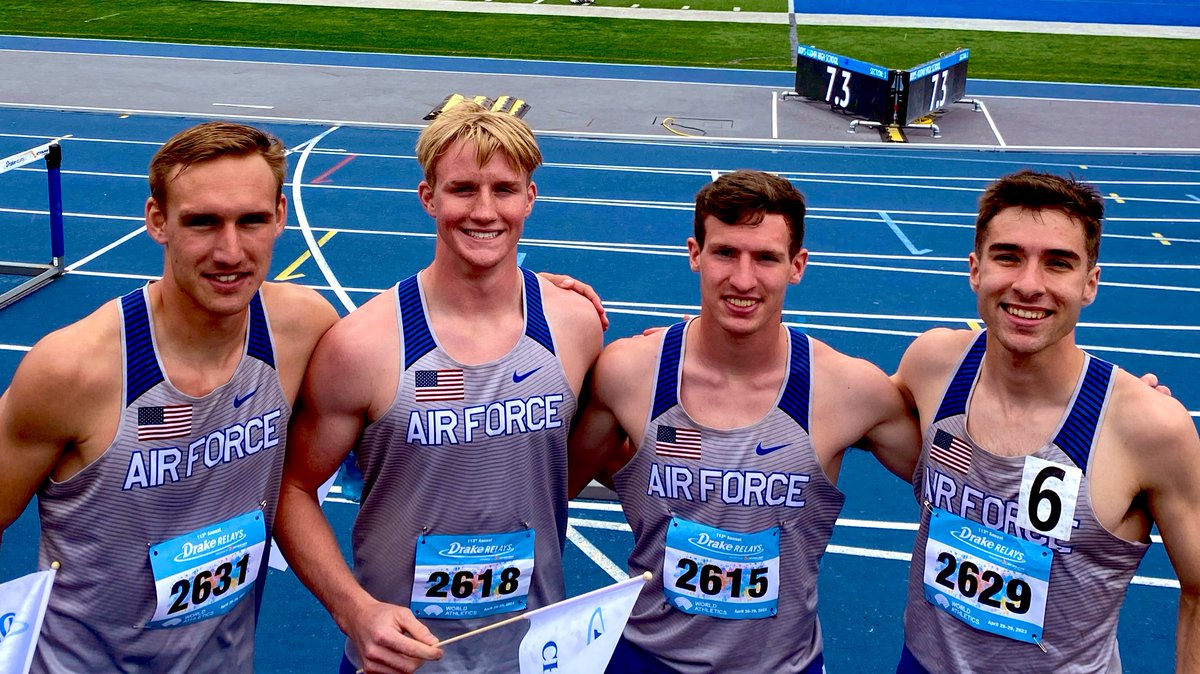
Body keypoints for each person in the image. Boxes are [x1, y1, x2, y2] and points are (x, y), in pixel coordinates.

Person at [273, 101, 604, 674]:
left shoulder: (574, 325)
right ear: (428, 198)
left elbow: (576, 464)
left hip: (534, 657)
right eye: (462, 189)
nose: (484, 211)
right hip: (400, 663)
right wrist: (354, 609)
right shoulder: (363, 346)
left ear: (530, 197)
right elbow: (289, 488)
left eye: (504, 189)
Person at [0, 121, 339, 672]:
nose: (230, 251)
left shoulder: (301, 330)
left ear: (280, 215)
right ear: (157, 220)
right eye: (203, 222)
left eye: (251, 221)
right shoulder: (75, 370)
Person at [567, 169, 922, 673]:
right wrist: (530, 291)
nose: (743, 279)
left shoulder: (850, 391)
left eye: (766, 258)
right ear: (695, 254)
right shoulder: (630, 372)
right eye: (726, 252)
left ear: (797, 266)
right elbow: (552, 480)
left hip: (783, 665)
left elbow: (962, 483)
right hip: (647, 658)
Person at [892, 170, 1200, 672]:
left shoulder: (1147, 429)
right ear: (975, 269)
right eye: (1008, 256)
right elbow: (837, 412)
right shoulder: (933, 365)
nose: (1028, 284)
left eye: (1058, 263)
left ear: (1089, 284)